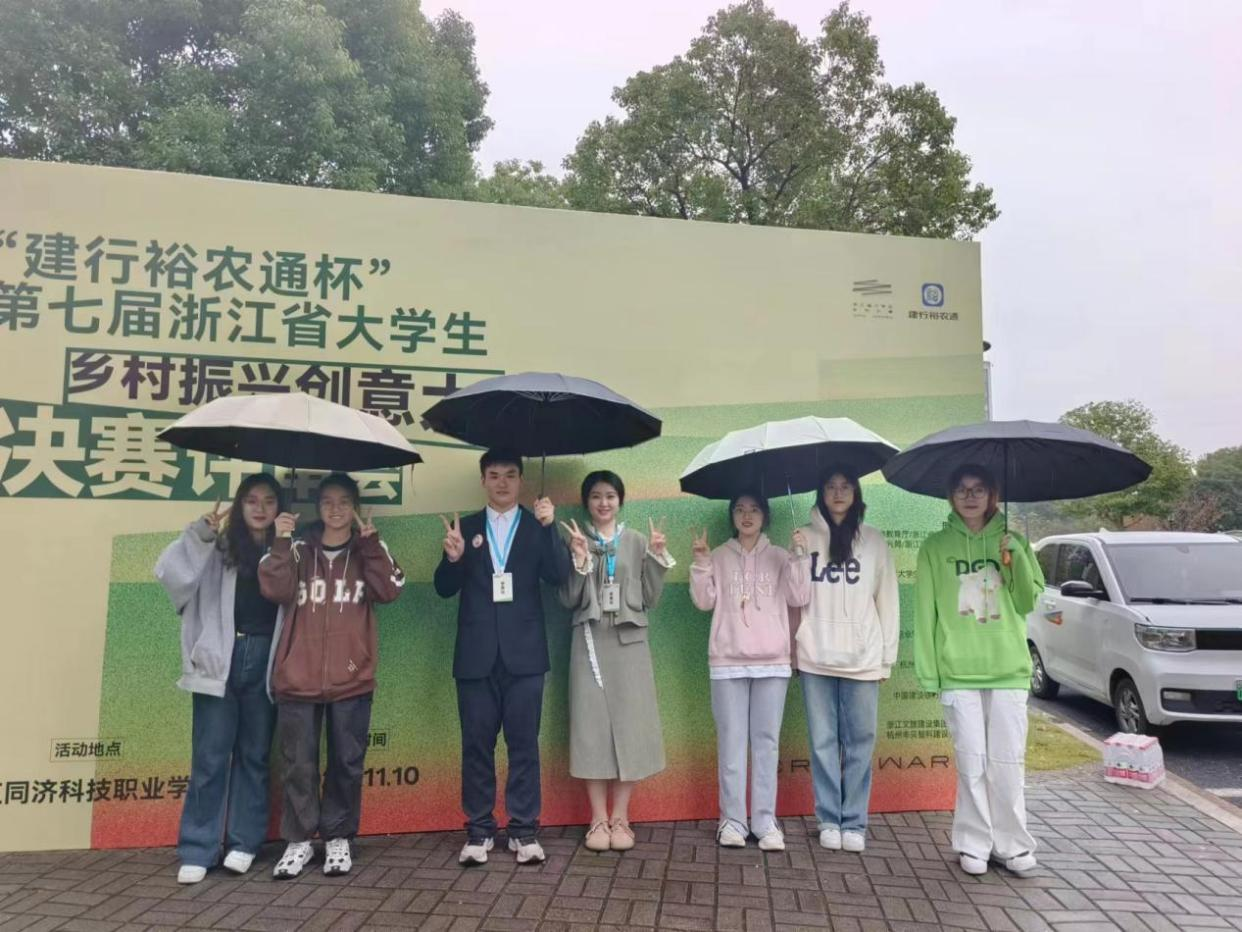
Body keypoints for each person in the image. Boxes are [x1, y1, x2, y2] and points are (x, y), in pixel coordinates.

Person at [259, 473, 405, 879]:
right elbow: (274, 589)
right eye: (328, 502)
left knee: (347, 761)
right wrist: (281, 540)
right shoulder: (298, 548)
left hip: (352, 676)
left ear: (355, 507)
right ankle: (299, 840)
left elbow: (390, 589)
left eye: (344, 502)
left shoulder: (368, 547)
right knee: (298, 764)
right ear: (318, 507)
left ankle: (338, 836)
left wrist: (372, 546)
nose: (336, 509)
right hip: (297, 676)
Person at [434, 449, 572, 866]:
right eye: (494, 475)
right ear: (483, 481)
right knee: (476, 746)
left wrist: (550, 529)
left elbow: (559, 575)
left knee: (524, 745)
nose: (502, 482)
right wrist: (454, 558)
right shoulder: (465, 528)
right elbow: (444, 588)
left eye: (510, 475)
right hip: (475, 655)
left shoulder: (536, 525)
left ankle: (523, 830)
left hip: (525, 655)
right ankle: (479, 830)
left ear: (521, 481)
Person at [154, 474, 286, 884]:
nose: (260, 508)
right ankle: (199, 847)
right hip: (218, 659)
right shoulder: (218, 546)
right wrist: (199, 535)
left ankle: (244, 842)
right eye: (251, 500)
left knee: (255, 755)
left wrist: (285, 543)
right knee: (210, 757)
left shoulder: (287, 549)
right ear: (239, 505)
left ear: (280, 507)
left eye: (269, 500)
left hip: (265, 659)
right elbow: (170, 575)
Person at [913, 464, 1043, 878]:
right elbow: (926, 612)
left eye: (979, 489)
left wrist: (1016, 558)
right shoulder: (935, 547)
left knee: (1007, 762)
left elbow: (1027, 602)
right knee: (971, 762)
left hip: (1008, 668)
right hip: (958, 671)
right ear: (951, 496)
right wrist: (930, 671)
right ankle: (973, 842)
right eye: (962, 489)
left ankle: (1013, 845)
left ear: (992, 495)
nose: (970, 497)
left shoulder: (1013, 541)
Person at [558, 470, 672, 852]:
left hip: (630, 645)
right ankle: (597, 818)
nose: (603, 503)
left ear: (620, 500)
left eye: (610, 495)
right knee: (590, 726)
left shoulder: (637, 540)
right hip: (589, 640)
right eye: (595, 496)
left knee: (630, 726)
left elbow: (651, 598)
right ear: (586, 502)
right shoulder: (577, 540)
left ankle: (621, 817)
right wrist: (579, 559)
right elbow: (567, 599)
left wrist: (656, 556)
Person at [689, 490, 810, 851]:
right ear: (732, 516)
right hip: (727, 662)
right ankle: (732, 821)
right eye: (740, 509)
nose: (747, 515)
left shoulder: (781, 556)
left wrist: (800, 557)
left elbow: (799, 597)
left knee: (766, 743)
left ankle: (764, 821)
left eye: (754, 509)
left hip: (772, 662)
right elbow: (703, 602)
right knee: (731, 742)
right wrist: (700, 562)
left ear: (765, 516)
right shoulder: (718, 556)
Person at [794, 468, 898, 854]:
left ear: (855, 493)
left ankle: (853, 821)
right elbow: (794, 598)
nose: (838, 493)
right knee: (823, 742)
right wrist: (797, 557)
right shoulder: (804, 538)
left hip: (863, 657)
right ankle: (828, 819)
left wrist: (886, 657)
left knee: (859, 742)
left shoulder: (874, 540)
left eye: (845, 487)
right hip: (815, 656)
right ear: (820, 493)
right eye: (830, 487)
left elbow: (887, 599)